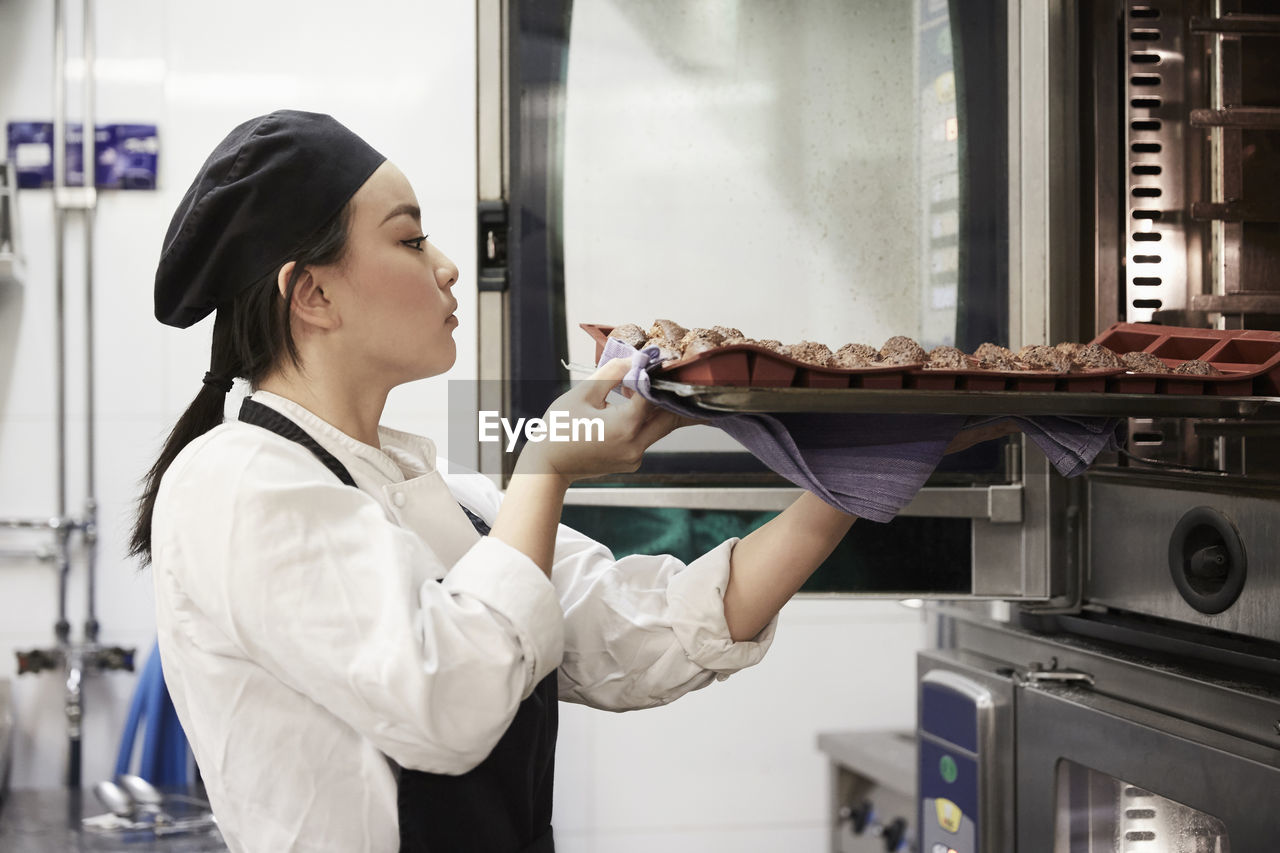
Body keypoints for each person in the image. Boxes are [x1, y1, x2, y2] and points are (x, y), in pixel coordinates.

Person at [131, 110, 861, 853]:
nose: (447, 265)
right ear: (313, 295)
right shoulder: (234, 482)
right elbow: (451, 706)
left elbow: (644, 634)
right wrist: (547, 464)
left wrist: (854, 470)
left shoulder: (439, 491)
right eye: (411, 240)